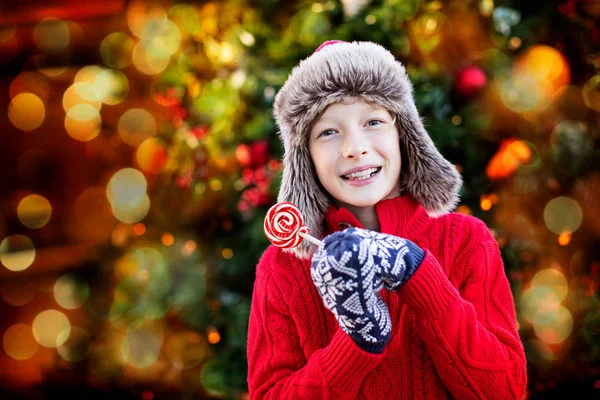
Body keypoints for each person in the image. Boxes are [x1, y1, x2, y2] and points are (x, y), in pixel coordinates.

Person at [247, 40, 527, 399]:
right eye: (328, 132)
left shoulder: (466, 240)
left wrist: (418, 273)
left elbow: (504, 390)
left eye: (373, 121)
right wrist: (358, 339)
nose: (355, 147)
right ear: (305, 158)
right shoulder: (282, 268)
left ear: (405, 135)